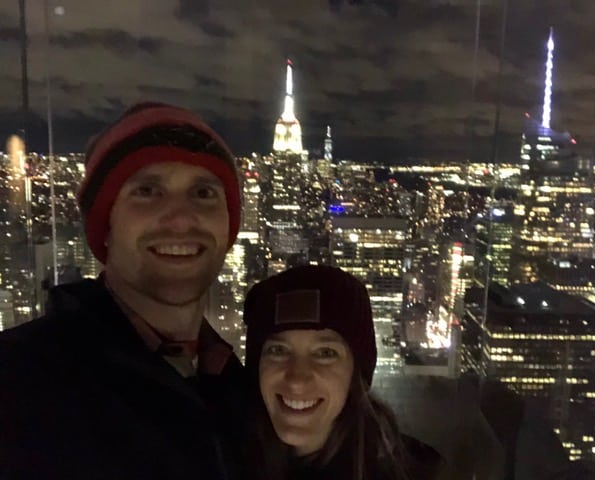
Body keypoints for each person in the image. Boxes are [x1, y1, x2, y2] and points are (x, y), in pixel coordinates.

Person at [0, 102, 245, 479]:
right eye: (148, 191)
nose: (180, 219)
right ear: (106, 224)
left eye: (203, 193)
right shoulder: (18, 385)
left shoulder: (241, 391)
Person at [242, 264, 442, 480]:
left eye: (325, 353)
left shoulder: (418, 473)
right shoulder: (221, 457)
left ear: (355, 373)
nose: (297, 380)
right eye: (278, 350)